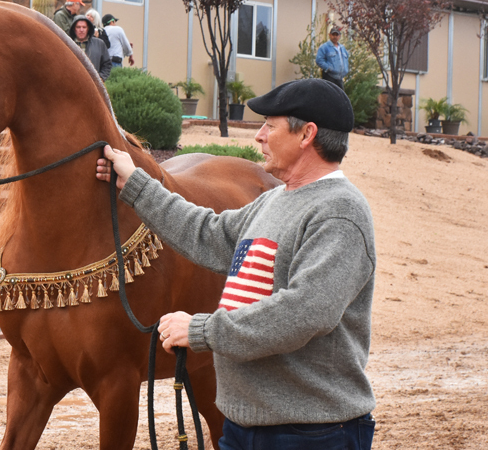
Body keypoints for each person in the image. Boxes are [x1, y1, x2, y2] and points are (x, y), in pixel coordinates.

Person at [96, 78, 376, 450]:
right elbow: (206, 232)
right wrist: (135, 184)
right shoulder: (275, 200)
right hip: (245, 427)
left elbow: (305, 312)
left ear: (307, 134)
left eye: (270, 126)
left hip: (312, 432)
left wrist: (202, 332)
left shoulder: (340, 212)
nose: (259, 136)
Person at [68, 15, 111, 81]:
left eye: (84, 27)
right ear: (74, 29)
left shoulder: (99, 44)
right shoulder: (67, 45)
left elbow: (107, 64)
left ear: (88, 28)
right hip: (72, 84)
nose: (81, 30)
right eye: (78, 27)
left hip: (93, 85)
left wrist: (101, 78)